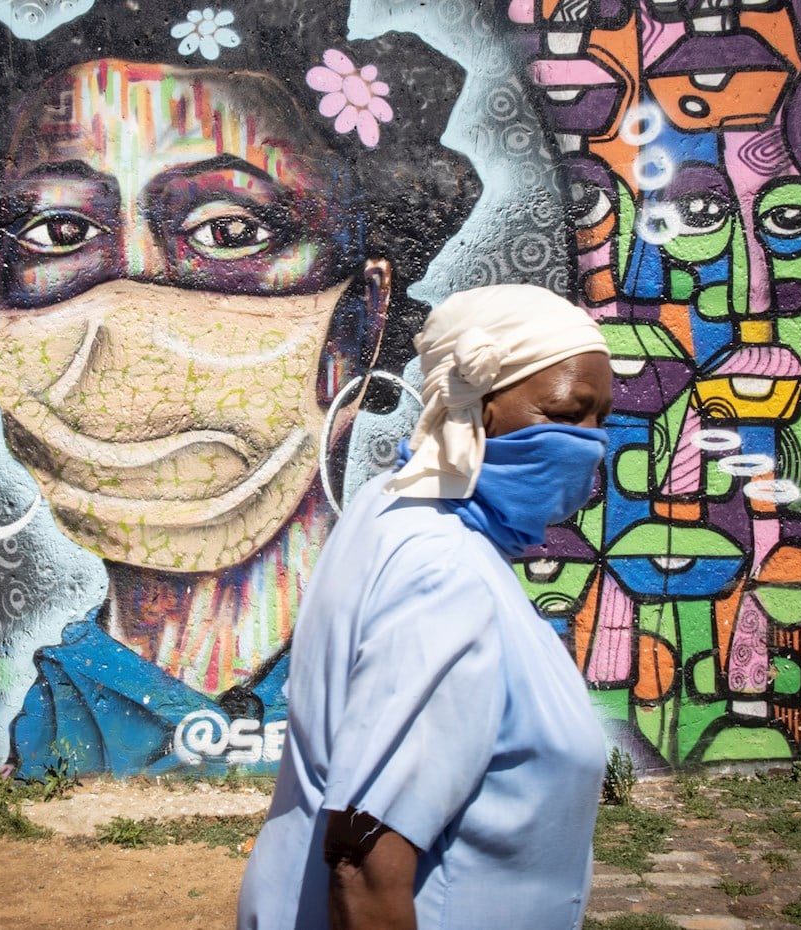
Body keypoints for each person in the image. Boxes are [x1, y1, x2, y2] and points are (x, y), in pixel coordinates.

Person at [0, 0, 483, 777]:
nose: (129, 311)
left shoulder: (402, 663)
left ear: (363, 321)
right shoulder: (52, 717)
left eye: (229, 230)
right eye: (59, 234)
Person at [238, 283, 613, 930]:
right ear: (478, 407)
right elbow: (365, 866)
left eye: (601, 420)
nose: (590, 445)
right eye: (566, 414)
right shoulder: (444, 574)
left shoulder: (388, 506)